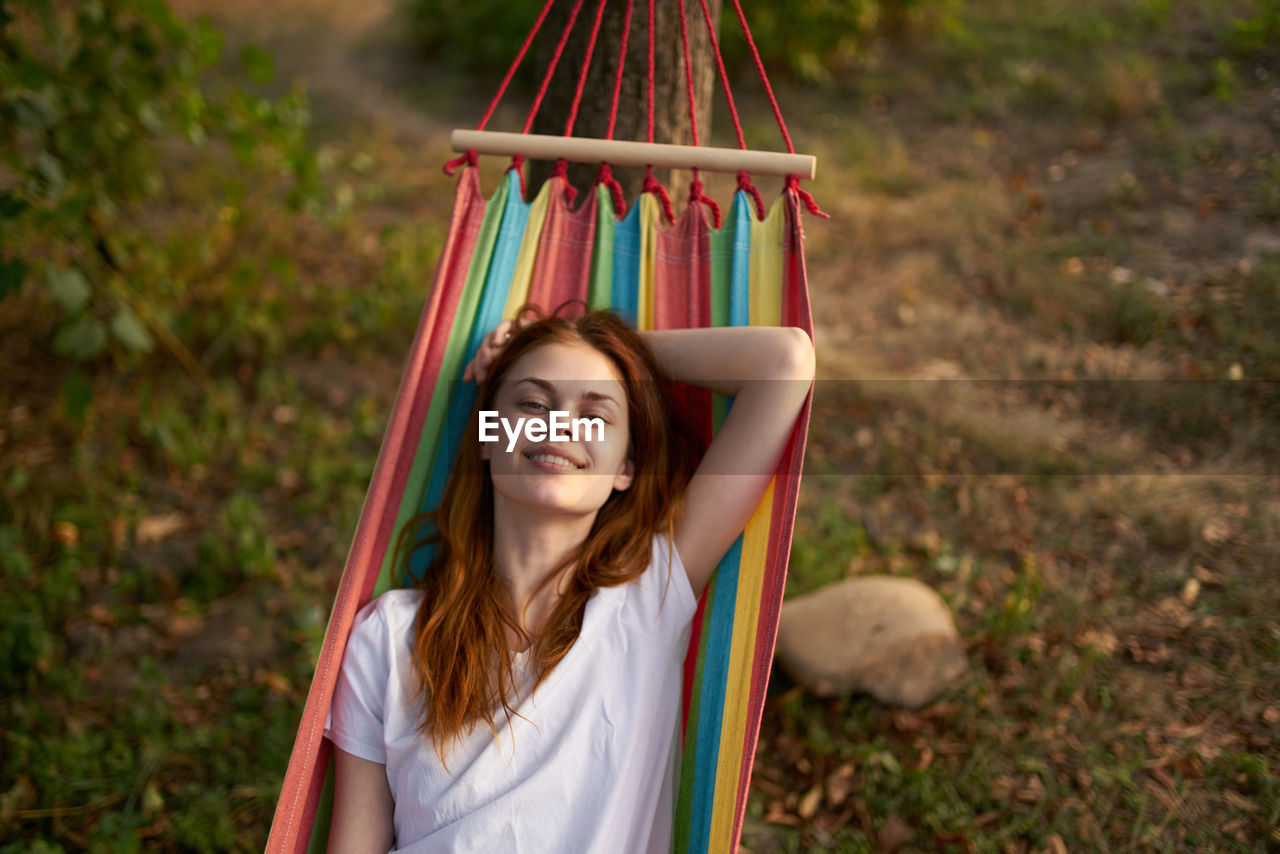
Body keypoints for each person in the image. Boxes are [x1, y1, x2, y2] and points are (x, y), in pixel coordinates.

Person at [324, 305, 814, 853]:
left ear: (626, 468)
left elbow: (784, 362)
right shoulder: (389, 635)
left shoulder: (649, 597)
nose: (560, 426)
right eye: (532, 403)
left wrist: (617, 353)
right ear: (487, 437)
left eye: (596, 416)